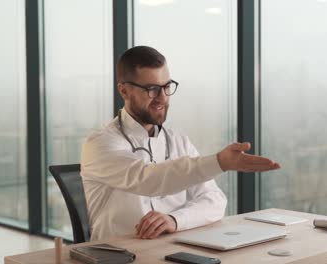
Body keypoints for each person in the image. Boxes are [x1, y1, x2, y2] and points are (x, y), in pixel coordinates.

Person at [80, 46, 280, 241]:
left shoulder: (177, 140)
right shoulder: (100, 143)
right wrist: (219, 162)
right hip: (116, 256)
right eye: (152, 89)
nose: (163, 98)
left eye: (166, 87)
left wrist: (175, 220)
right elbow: (147, 179)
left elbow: (215, 201)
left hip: (170, 251)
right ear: (124, 90)